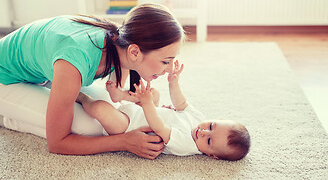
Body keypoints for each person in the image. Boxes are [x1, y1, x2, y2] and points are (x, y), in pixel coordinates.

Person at [0, 3, 185, 159]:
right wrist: (124, 142)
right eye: (166, 61)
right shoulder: (75, 60)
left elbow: (119, 98)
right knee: (91, 128)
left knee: (109, 109)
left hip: (42, 75)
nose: (168, 70)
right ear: (134, 51)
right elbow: (58, 144)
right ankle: (4, 116)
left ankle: (30, 106)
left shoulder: (119, 44)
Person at [78, 61, 251, 161]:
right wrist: (173, 83)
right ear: (217, 119)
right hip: (142, 111)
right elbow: (181, 103)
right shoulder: (199, 119)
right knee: (155, 94)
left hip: (129, 126)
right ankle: (119, 95)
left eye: (209, 141)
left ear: (212, 155)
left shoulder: (187, 145)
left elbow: (160, 128)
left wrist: (147, 105)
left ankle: (81, 98)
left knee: (100, 108)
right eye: (212, 126)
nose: (204, 132)